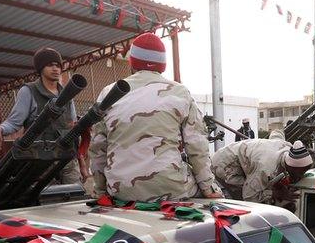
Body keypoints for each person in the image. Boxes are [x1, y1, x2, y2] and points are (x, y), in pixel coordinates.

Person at [89, 32, 222, 202]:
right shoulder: (180, 92)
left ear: (133, 62)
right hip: (171, 188)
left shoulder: (109, 93)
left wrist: (100, 192)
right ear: (163, 64)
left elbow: (98, 148)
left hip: (120, 191)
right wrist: (208, 187)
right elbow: (197, 146)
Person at [0, 47, 83, 184]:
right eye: (50, 65)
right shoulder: (28, 91)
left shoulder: (67, 94)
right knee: (47, 200)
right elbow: (14, 122)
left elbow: (72, 128)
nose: (55, 69)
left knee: (75, 196)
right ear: (41, 68)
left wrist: (81, 162)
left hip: (67, 157)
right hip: (39, 159)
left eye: (58, 65)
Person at [211, 137, 312, 209]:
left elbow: (276, 133)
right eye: (301, 172)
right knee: (240, 206)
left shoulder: (287, 148)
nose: (302, 175)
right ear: (291, 166)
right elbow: (249, 197)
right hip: (224, 165)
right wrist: (273, 193)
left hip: (240, 158)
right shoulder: (265, 169)